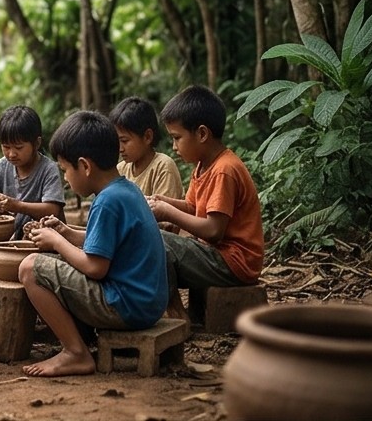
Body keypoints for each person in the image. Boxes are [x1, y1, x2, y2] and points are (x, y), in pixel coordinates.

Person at [19, 110, 168, 377]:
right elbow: (105, 242)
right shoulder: (124, 190)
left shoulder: (107, 202)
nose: (65, 178)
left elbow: (96, 267)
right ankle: (80, 341)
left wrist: (55, 243)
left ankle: (75, 353)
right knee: (53, 261)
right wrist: (65, 232)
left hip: (126, 306)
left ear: (85, 166)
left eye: (65, 170)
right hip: (147, 303)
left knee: (30, 268)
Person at [148, 85, 264, 323]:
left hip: (235, 263)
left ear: (202, 134)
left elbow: (213, 231)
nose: (173, 147)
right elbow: (192, 207)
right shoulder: (203, 165)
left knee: (157, 240)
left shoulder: (225, 170)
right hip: (219, 257)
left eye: (177, 138)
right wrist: (159, 200)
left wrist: (167, 213)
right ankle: (179, 310)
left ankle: (176, 315)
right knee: (156, 240)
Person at [0, 105, 66, 239]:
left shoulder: (48, 169)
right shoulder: (3, 165)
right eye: (6, 147)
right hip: (16, 237)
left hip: (49, 239)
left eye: (19, 147)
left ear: (37, 143)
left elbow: (52, 209)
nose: (11, 154)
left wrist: (16, 206)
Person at [109, 96, 184, 231]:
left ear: (147, 137)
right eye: (117, 141)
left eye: (125, 141)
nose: (120, 148)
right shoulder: (120, 169)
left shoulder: (163, 166)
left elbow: (166, 225)